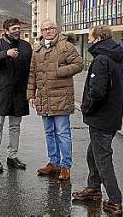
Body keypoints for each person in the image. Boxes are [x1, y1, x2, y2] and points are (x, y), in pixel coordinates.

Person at [72, 25, 123, 215]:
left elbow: (97, 92)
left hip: (101, 118)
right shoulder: (117, 57)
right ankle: (93, 189)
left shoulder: (101, 60)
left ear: (98, 38)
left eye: (89, 37)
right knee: (92, 154)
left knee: (102, 159)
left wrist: (86, 107)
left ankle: (114, 200)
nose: (88, 40)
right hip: (111, 116)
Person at [27, 20, 83, 181]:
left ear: (56, 29)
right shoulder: (37, 49)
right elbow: (32, 74)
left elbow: (79, 64)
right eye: (45, 29)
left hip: (61, 97)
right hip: (44, 98)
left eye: (51, 28)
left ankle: (66, 166)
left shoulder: (66, 46)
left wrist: (60, 71)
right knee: (49, 133)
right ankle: (54, 162)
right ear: (41, 32)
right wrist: (31, 94)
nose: (48, 31)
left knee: (63, 133)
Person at [0, 18, 32, 172]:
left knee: (15, 126)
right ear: (6, 31)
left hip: (19, 93)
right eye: (14, 29)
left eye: (18, 28)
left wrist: (32, 90)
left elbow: (32, 68)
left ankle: (12, 156)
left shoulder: (26, 46)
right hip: (1, 92)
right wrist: (5, 53)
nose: (17, 31)